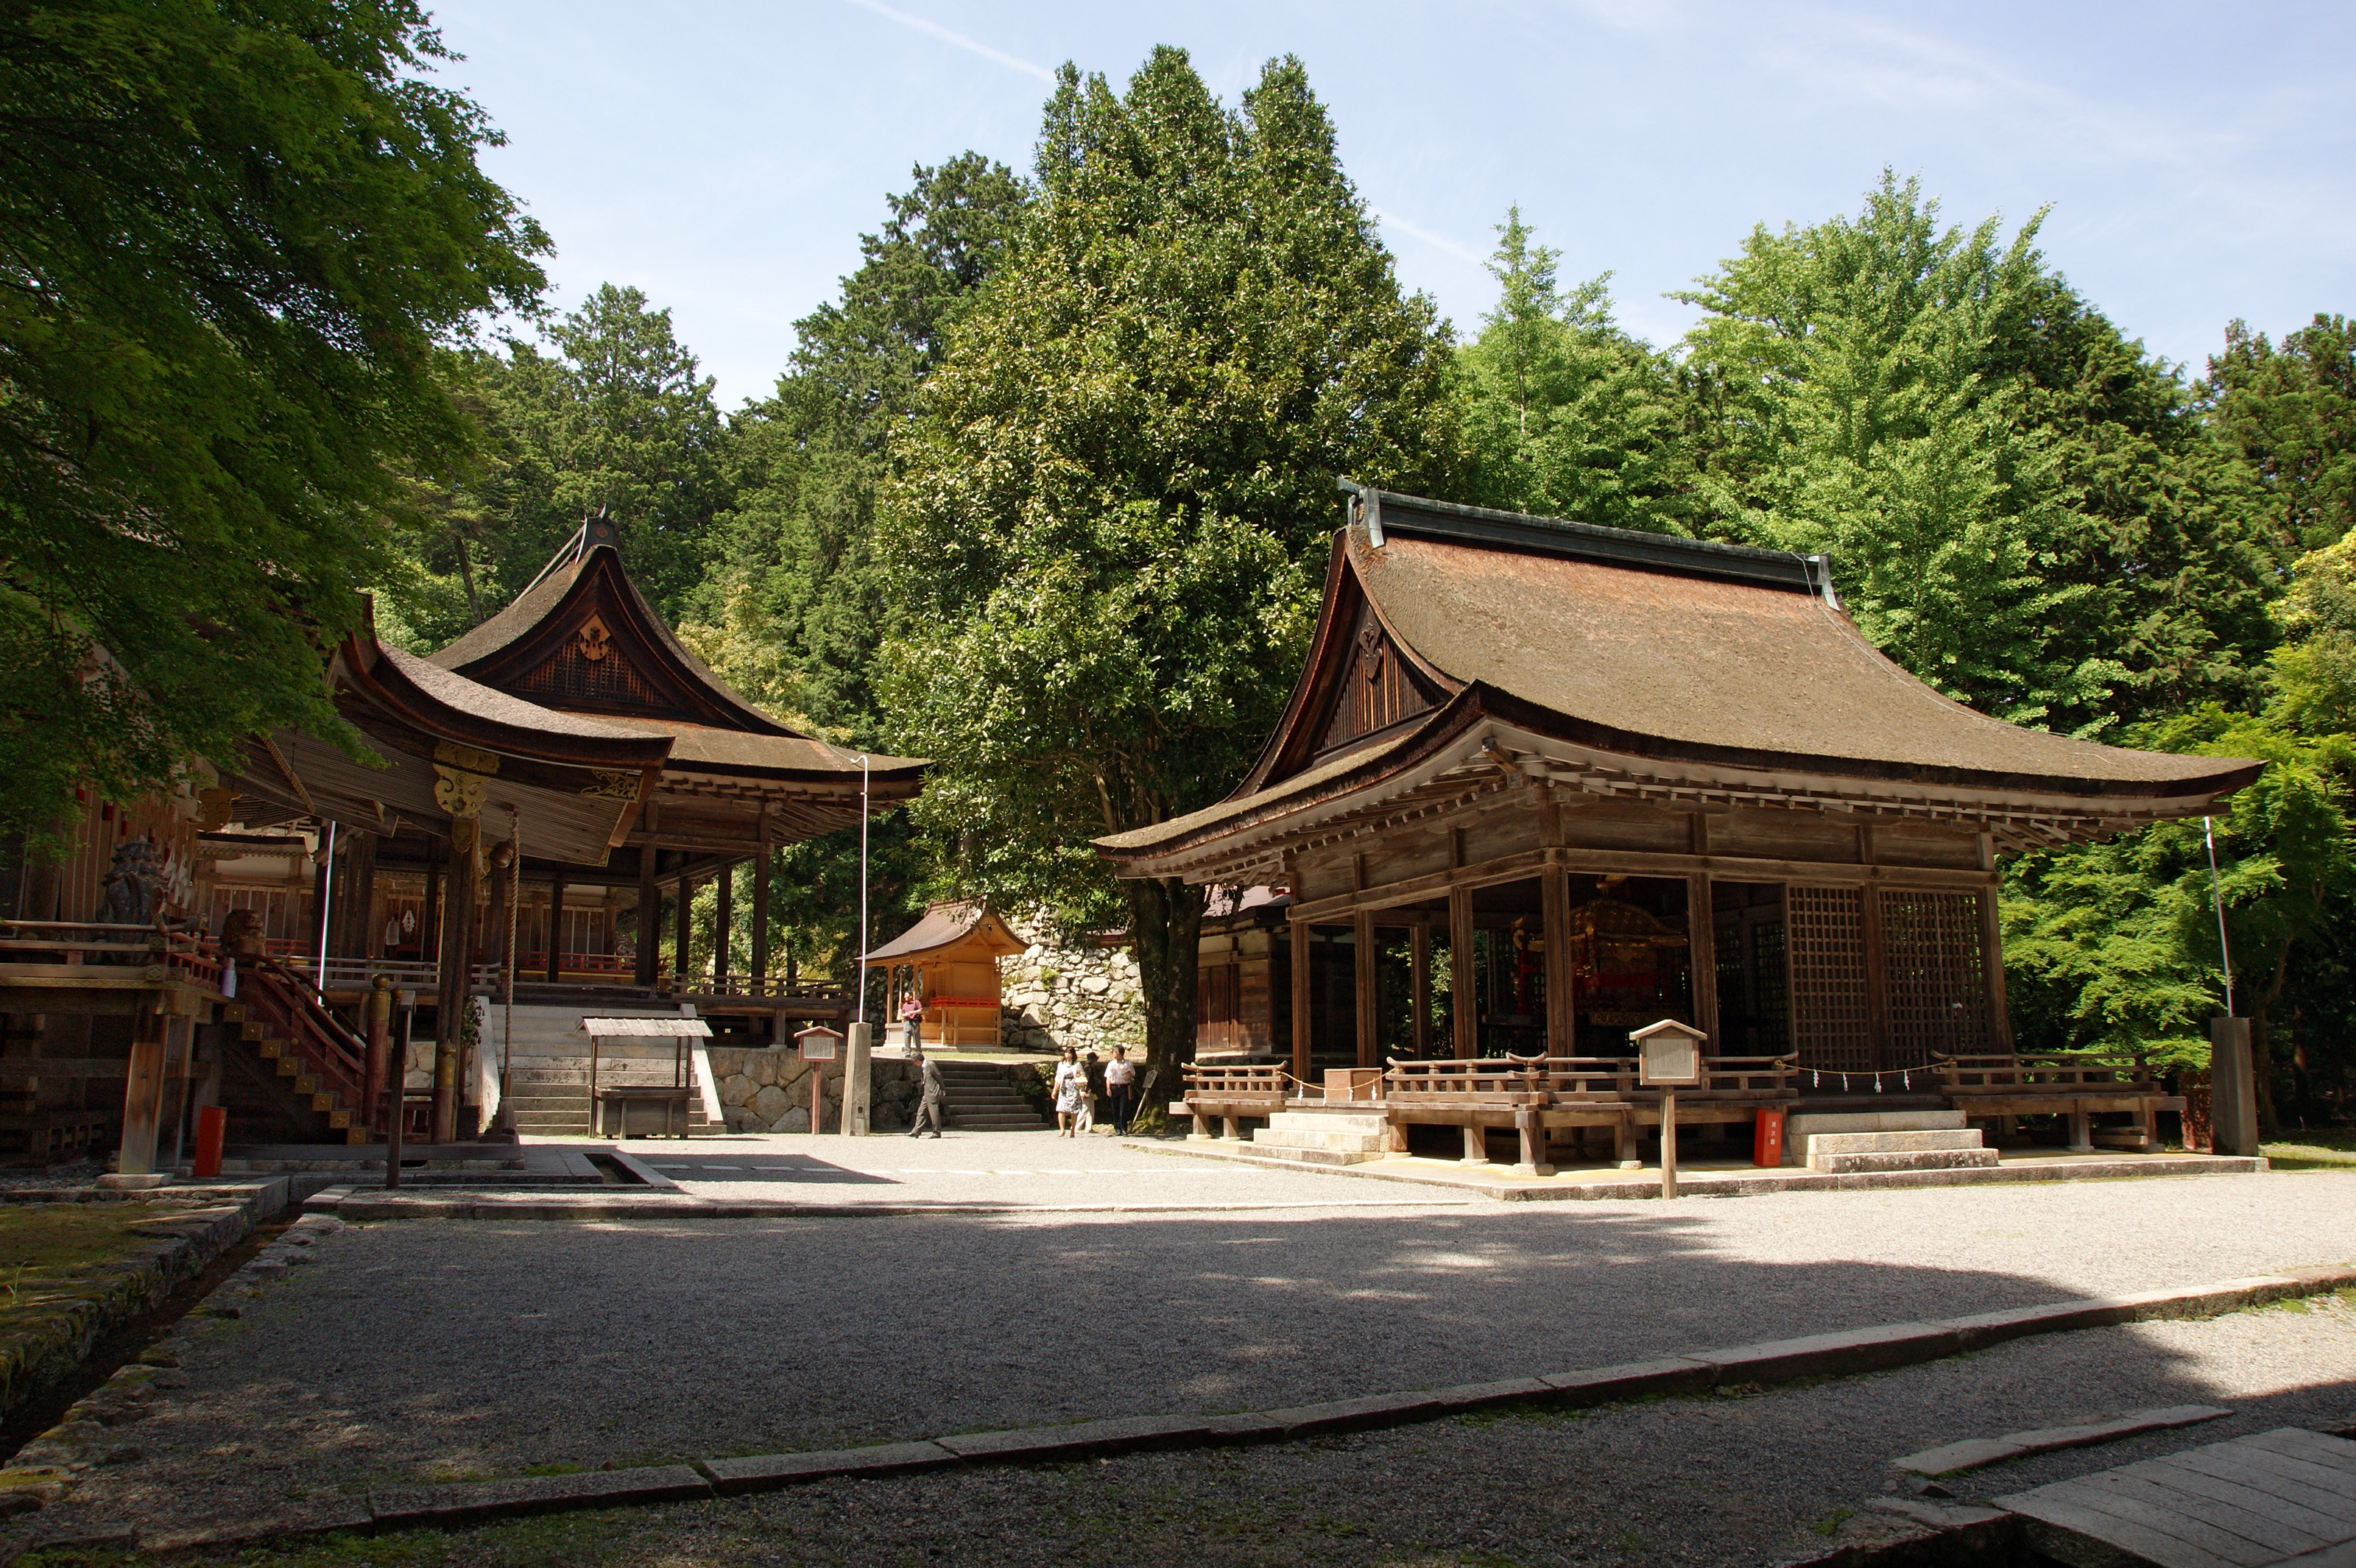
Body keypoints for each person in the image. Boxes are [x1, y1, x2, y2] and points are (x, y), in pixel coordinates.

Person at [907, 1048, 945, 1137]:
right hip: (927, 1092)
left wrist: (943, 1089)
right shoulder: (923, 1067)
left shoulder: (930, 1064)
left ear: (918, 1061)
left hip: (933, 1092)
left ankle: (937, 1132)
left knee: (934, 1113)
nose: (915, 1064)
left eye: (915, 1062)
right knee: (921, 1111)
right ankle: (916, 1131)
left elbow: (938, 1076)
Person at [1052, 1046, 1087, 1137]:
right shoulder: (1061, 1065)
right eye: (1066, 1053)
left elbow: (1082, 1075)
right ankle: (1062, 1129)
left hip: (1074, 1088)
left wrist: (1082, 1088)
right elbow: (1058, 1078)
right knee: (1061, 1109)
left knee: (1074, 1111)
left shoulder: (1077, 1064)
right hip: (1064, 1089)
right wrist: (1055, 1090)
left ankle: (1073, 1130)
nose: (1067, 1055)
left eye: (1070, 1053)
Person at [1103, 1045, 1138, 1134]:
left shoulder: (1128, 1063)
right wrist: (1108, 1088)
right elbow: (1108, 1077)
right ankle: (1117, 1127)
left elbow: (1132, 1075)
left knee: (1124, 1108)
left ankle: (1124, 1128)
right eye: (1113, 1052)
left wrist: (1128, 1075)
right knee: (1115, 1108)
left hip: (1124, 1087)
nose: (1114, 1054)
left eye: (1116, 1052)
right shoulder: (1111, 1064)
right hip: (1114, 1087)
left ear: (1121, 1054)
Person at [1076, 1050, 1099, 1134]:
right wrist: (1085, 1091)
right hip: (1087, 1091)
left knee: (1091, 1110)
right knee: (1085, 1109)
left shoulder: (1088, 1068)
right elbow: (1086, 1081)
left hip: (1090, 1091)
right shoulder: (1088, 1069)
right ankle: (1077, 1127)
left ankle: (1089, 1127)